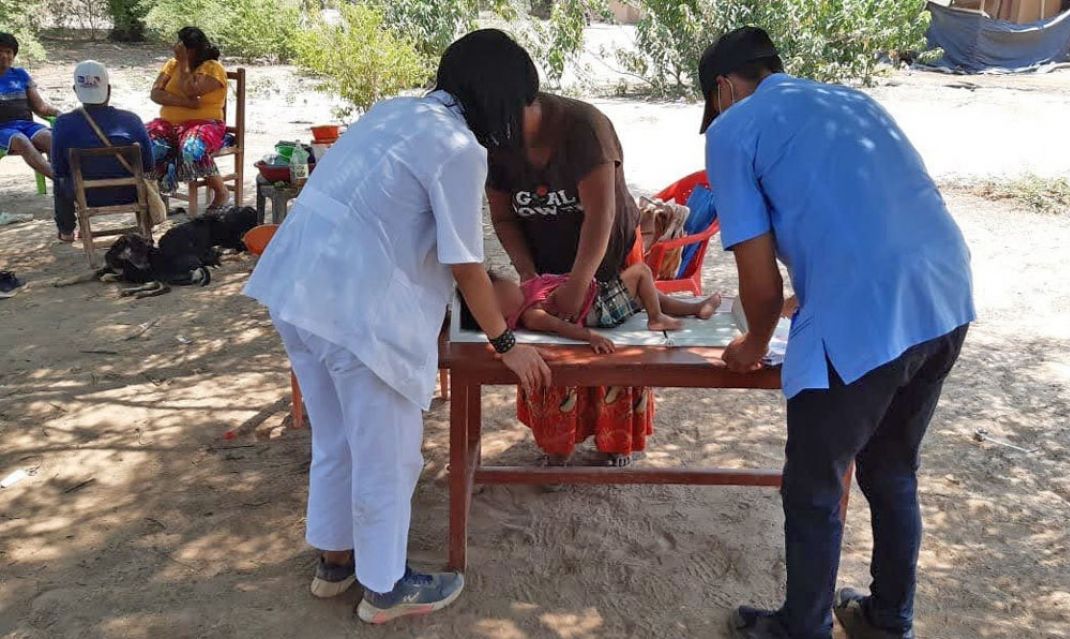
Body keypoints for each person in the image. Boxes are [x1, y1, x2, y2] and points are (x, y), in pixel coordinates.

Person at [242, 30, 551, 625]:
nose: (522, 117)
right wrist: (505, 342)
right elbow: (464, 263)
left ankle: (335, 563)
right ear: (500, 95)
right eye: (521, 103)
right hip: (356, 312)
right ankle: (385, 587)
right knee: (388, 455)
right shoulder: (459, 147)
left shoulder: (398, 112)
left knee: (337, 440)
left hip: (298, 289)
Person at [699, 27, 975, 639]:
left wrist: (750, 345)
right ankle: (888, 618)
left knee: (813, 486)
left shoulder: (732, 128)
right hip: (945, 294)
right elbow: (865, 214)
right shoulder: (853, 101)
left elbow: (759, 282)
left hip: (865, 312)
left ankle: (802, 627)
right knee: (892, 469)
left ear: (723, 89)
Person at [486, 53, 653, 468]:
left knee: (612, 352)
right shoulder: (494, 145)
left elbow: (601, 215)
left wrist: (580, 281)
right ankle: (558, 444)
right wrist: (529, 274)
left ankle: (616, 444)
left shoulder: (584, 129)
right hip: (545, 263)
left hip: (607, 253)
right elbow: (504, 216)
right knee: (552, 351)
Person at [51, 60, 154, 243]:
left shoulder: (63, 124)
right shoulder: (131, 120)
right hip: (131, 192)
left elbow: (59, 168)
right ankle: (147, 227)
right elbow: (149, 164)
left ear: (76, 90)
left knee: (59, 181)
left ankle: (66, 231)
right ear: (109, 89)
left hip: (86, 197)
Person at [490, 263, 723, 339]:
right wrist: (592, 338)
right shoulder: (531, 314)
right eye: (501, 299)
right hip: (599, 310)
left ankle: (696, 308)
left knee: (646, 295)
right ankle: (656, 319)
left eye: (503, 287)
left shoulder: (527, 288)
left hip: (598, 299)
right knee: (641, 271)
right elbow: (561, 327)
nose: (509, 291)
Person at [146, 26, 229, 211]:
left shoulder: (212, 68)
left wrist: (184, 64)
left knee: (192, 149)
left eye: (181, 46)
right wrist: (187, 103)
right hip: (168, 125)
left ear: (191, 49)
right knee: (149, 146)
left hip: (205, 124)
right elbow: (155, 94)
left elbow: (191, 89)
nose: (176, 48)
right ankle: (159, 197)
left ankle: (221, 191)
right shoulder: (171, 64)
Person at [0, 32, 61, 179]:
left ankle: (63, 183)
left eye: (8, 52)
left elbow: (40, 107)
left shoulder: (20, 74)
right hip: (3, 129)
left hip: (27, 125)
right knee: (21, 140)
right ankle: (61, 181)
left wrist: (60, 114)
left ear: (13, 55)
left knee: (50, 138)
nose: (3, 56)